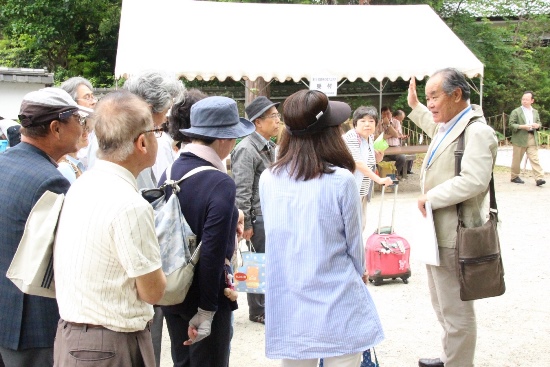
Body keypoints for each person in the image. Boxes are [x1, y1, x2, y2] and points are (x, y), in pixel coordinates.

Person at [260, 90, 384, 367]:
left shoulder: (269, 178)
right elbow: (354, 246)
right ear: (329, 133)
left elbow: (276, 235)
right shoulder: (341, 180)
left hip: (290, 295)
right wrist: (360, 273)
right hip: (336, 295)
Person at [53, 90, 166, 367]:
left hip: (73, 335)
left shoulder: (82, 183)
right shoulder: (131, 205)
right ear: (142, 142)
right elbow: (152, 291)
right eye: (156, 132)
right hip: (110, 343)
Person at [407, 68, 498, 367]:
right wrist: (416, 106)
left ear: (456, 95)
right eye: (428, 97)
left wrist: (430, 197)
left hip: (455, 233)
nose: (430, 103)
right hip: (438, 232)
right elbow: (433, 128)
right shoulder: (448, 125)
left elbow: (474, 180)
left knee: (457, 311)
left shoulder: (477, 131)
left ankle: (459, 363)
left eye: (434, 96)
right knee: (442, 304)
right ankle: (449, 356)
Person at [160, 96, 254, 367]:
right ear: (223, 139)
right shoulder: (220, 182)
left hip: (173, 289)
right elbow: (212, 251)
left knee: (183, 362)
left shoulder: (168, 170)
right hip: (207, 293)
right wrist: (207, 310)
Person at [0, 87, 90, 366]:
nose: (83, 128)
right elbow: (68, 257)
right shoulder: (51, 181)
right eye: (79, 120)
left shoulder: (4, 162)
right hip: (32, 323)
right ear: (56, 128)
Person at [231, 96, 280, 324]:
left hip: (269, 213)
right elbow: (242, 189)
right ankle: (257, 309)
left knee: (265, 261)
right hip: (257, 216)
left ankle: (266, 304)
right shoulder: (246, 149)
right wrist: (247, 223)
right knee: (254, 262)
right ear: (258, 122)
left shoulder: (269, 145)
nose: (278, 121)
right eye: (273, 117)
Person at [342, 106, 393, 237]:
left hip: (362, 190)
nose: (367, 124)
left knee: (361, 224)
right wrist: (379, 179)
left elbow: (369, 162)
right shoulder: (352, 137)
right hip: (350, 190)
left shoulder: (369, 138)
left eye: (371, 121)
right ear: (355, 123)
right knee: (351, 227)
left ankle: (356, 254)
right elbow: (358, 163)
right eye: (362, 121)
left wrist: (378, 157)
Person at [509, 91, 546, 186]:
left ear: (532, 101)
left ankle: (539, 177)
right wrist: (522, 126)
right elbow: (511, 125)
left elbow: (539, 123)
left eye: (526, 99)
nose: (524, 101)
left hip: (532, 136)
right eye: (523, 99)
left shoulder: (535, 112)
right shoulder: (516, 111)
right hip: (520, 137)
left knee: (534, 158)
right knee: (517, 159)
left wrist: (537, 125)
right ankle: (514, 176)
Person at [60, 76, 97, 168]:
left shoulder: (98, 128)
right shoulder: (67, 132)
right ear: (71, 102)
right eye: (87, 97)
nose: (93, 102)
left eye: (93, 97)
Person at [377, 106, 407, 177]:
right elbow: (379, 137)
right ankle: (380, 177)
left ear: (391, 113)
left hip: (394, 148)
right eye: (383, 114)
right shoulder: (379, 123)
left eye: (387, 113)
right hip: (382, 149)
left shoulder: (396, 122)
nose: (386, 116)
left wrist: (388, 125)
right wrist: (392, 133)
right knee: (374, 159)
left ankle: (394, 176)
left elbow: (396, 135)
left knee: (402, 157)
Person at [393, 109, 414, 174]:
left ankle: (406, 170)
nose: (402, 121)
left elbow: (398, 135)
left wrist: (402, 136)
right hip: (393, 146)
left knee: (411, 152)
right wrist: (401, 136)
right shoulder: (393, 122)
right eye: (401, 119)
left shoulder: (398, 123)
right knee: (402, 156)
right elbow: (395, 135)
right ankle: (396, 173)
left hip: (399, 144)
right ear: (396, 117)